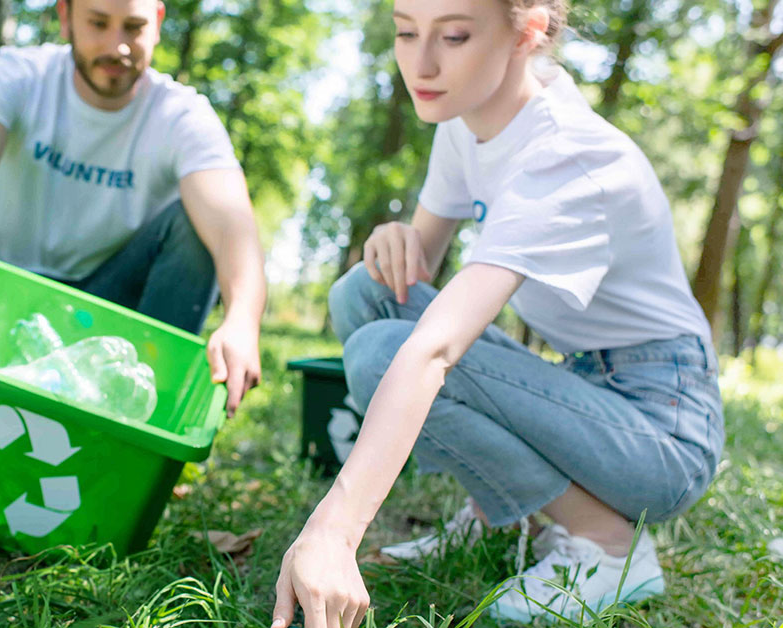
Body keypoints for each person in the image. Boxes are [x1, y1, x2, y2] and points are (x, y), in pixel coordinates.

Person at [271, 0, 723, 625]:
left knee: (386, 353)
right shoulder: (467, 120)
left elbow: (434, 348)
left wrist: (333, 531)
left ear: (528, 32)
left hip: (660, 428)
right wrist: (394, 239)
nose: (420, 63)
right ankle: (498, 513)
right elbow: (412, 273)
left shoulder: (566, 154)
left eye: (454, 36)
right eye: (406, 32)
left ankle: (608, 544)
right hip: (582, 386)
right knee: (362, 294)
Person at [0, 0, 266, 415]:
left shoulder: (183, 116)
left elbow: (232, 225)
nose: (117, 46)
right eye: (97, 23)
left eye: (133, 27)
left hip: (105, 310)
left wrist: (242, 319)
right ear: (64, 16)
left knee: (194, 226)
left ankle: (148, 415)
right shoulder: (18, 73)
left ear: (158, 23)